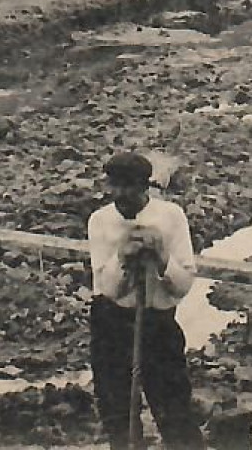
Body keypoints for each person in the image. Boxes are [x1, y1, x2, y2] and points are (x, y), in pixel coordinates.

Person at [87, 152, 204, 450]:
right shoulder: (100, 221)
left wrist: (162, 257)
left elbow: (183, 286)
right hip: (111, 324)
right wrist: (123, 258)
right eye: (115, 186)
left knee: (175, 411)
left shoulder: (171, 217)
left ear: (145, 187)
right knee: (119, 415)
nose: (120, 194)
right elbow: (108, 289)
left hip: (157, 324)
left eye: (129, 187)